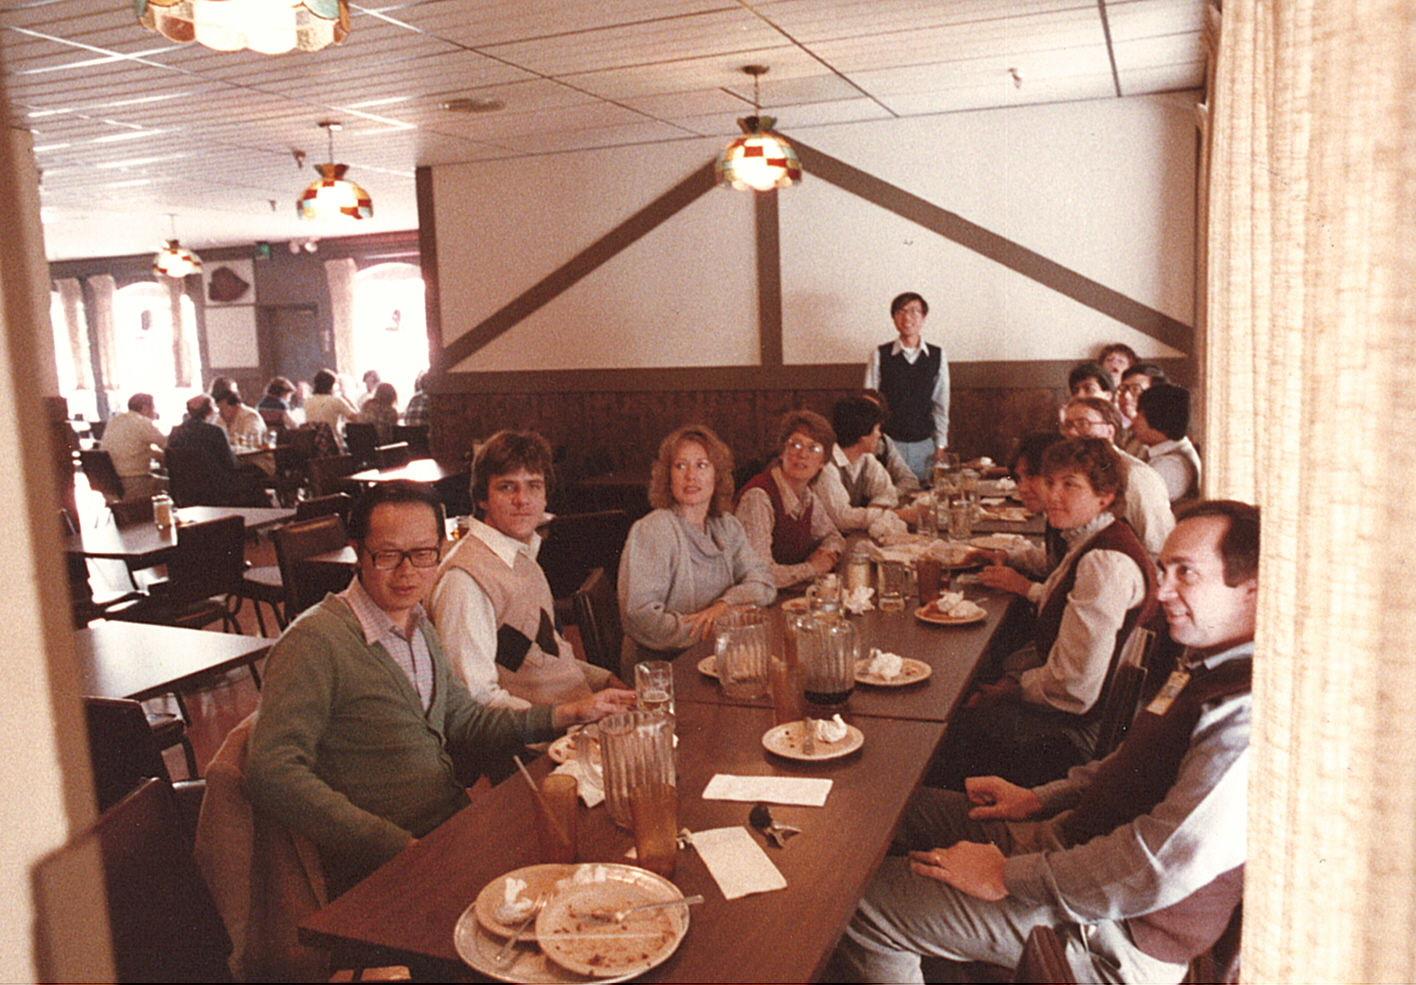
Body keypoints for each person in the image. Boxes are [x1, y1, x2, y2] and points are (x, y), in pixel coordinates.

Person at [832, 500, 1258, 984]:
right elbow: (1130, 765)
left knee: (861, 905)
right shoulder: (1206, 665)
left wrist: (1007, 876)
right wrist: (1038, 797)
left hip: (1112, 932)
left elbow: (1156, 864)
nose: (1161, 591)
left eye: (1187, 574)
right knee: (888, 809)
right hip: (1069, 847)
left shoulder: (1244, 712)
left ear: (1252, 591)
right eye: (1164, 570)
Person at [246, 483, 623, 898]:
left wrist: (569, 713)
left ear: (441, 550)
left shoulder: (417, 623)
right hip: (384, 870)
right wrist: (393, 845)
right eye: (388, 555)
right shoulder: (315, 641)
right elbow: (272, 770)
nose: (408, 572)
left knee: (597, 869)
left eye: (423, 554)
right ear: (357, 552)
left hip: (452, 833)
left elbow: (465, 718)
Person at [932, 438, 1157, 789]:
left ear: (1106, 495)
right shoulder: (1093, 539)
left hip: (1076, 738)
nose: (1054, 495)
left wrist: (1012, 688)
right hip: (1074, 714)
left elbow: (1075, 688)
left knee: (947, 728)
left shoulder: (1105, 563)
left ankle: (949, 823)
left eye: (1070, 485)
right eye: (1050, 482)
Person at [431, 430, 635, 710]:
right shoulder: (464, 581)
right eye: (507, 487)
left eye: (534, 486)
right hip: (536, 744)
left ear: (545, 496)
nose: (522, 499)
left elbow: (539, 655)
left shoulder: (522, 556)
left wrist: (605, 680)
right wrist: (570, 714)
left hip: (575, 716)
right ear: (481, 498)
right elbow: (476, 699)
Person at [618, 425, 776, 666]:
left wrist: (725, 606)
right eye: (680, 466)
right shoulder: (654, 529)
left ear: (717, 474)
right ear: (668, 476)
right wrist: (716, 626)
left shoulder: (727, 526)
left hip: (716, 656)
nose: (690, 476)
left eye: (701, 465)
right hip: (664, 668)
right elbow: (639, 617)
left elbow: (764, 582)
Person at [735, 410, 846, 590]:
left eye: (814, 448)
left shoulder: (808, 497)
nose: (802, 454)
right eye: (795, 445)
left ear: (822, 463)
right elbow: (758, 574)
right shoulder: (758, 497)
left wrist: (826, 554)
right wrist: (812, 568)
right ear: (782, 452)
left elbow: (834, 537)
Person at [1061, 396, 1174, 557]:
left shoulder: (1136, 476)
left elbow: (1158, 547)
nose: (1072, 432)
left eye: (1083, 423)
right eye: (1068, 425)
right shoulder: (1078, 472)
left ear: (1110, 431)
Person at [863, 292, 949, 483]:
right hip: (888, 443)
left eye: (914, 311)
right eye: (901, 311)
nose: (907, 317)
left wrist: (940, 445)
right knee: (889, 497)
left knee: (924, 498)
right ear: (893, 317)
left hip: (925, 445)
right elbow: (868, 405)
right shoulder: (879, 354)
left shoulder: (937, 355)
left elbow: (941, 405)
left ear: (924, 317)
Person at [811, 395, 913, 533]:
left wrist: (875, 513)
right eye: (877, 429)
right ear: (862, 434)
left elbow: (888, 493)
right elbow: (842, 518)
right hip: (825, 543)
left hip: (853, 536)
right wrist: (893, 515)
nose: (879, 435)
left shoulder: (865, 458)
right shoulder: (827, 466)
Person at [166, 393, 267, 506]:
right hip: (217, 487)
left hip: (186, 489)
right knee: (254, 479)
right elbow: (231, 464)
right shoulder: (214, 432)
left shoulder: (175, 433)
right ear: (210, 411)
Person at [1134, 383, 1202, 502]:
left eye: (1139, 416)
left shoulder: (1171, 467)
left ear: (1157, 419)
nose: (1134, 421)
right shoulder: (1158, 451)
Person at [100, 392, 168, 500]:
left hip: (111, 484)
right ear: (145, 408)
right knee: (175, 485)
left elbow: (135, 449)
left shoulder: (115, 421)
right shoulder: (141, 422)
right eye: (154, 408)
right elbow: (166, 444)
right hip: (135, 483)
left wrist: (158, 455)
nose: (155, 412)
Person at [862, 390, 922, 496]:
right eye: (863, 411)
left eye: (873, 413)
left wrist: (888, 496)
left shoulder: (884, 443)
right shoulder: (841, 448)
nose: (867, 417)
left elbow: (909, 479)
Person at [303, 368, 360, 450]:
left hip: (314, 447)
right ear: (332, 385)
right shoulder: (335, 401)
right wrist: (349, 400)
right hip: (333, 446)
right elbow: (357, 418)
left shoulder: (307, 401)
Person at [1116, 361, 1168, 448]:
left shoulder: (1161, 435)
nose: (1126, 396)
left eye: (1135, 389)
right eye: (1123, 388)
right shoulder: (1125, 434)